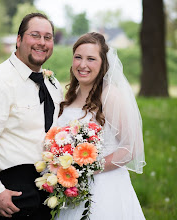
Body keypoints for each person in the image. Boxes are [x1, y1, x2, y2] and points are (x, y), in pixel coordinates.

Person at [0, 13, 63, 219]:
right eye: (35, 35)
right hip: (9, 191)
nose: (42, 43)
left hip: (43, 191)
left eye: (48, 37)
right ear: (18, 40)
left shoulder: (52, 84)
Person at [56, 32, 146, 219]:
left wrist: (85, 169)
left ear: (103, 63)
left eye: (91, 59)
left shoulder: (110, 96)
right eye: (78, 57)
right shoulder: (69, 96)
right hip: (72, 190)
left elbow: (131, 147)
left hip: (106, 189)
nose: (82, 65)